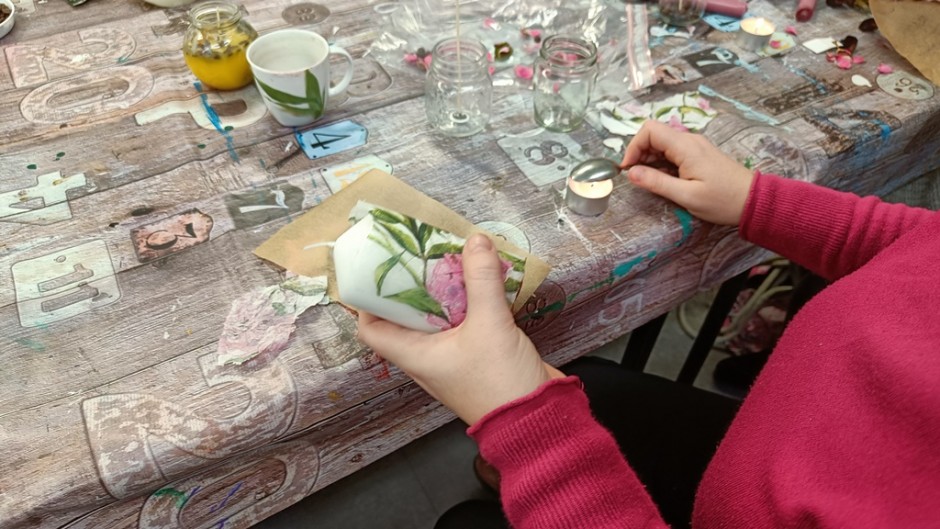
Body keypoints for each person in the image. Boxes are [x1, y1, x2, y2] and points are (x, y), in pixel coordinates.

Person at [356, 120, 940, 528]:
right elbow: (920, 254)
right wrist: (757, 201)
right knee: (596, 384)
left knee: (463, 522)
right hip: (775, 451)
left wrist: (529, 432)